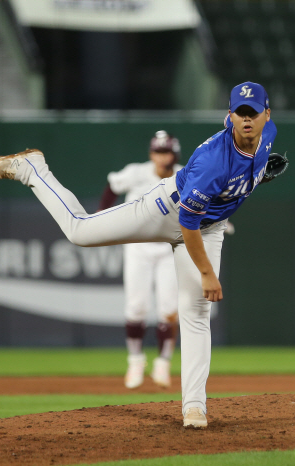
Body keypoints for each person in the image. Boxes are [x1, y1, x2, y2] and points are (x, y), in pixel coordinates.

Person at [0, 81, 278, 427]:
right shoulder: (214, 162)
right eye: (240, 113)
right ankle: (33, 170)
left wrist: (257, 175)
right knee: (79, 231)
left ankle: (194, 406)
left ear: (266, 115)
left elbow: (242, 174)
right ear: (229, 116)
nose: (246, 119)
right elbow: (188, 222)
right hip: (169, 212)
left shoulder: (267, 135)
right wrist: (207, 273)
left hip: (211, 226)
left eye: (253, 113)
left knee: (197, 312)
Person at [99, 130, 184, 389]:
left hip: (170, 247)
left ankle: (163, 363)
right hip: (138, 247)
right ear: (151, 153)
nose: (162, 156)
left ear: (174, 154)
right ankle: (135, 360)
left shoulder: (185, 174)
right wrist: (102, 217)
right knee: (136, 307)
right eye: (158, 151)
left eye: (166, 151)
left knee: (169, 309)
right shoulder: (136, 172)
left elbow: (207, 201)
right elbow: (112, 187)